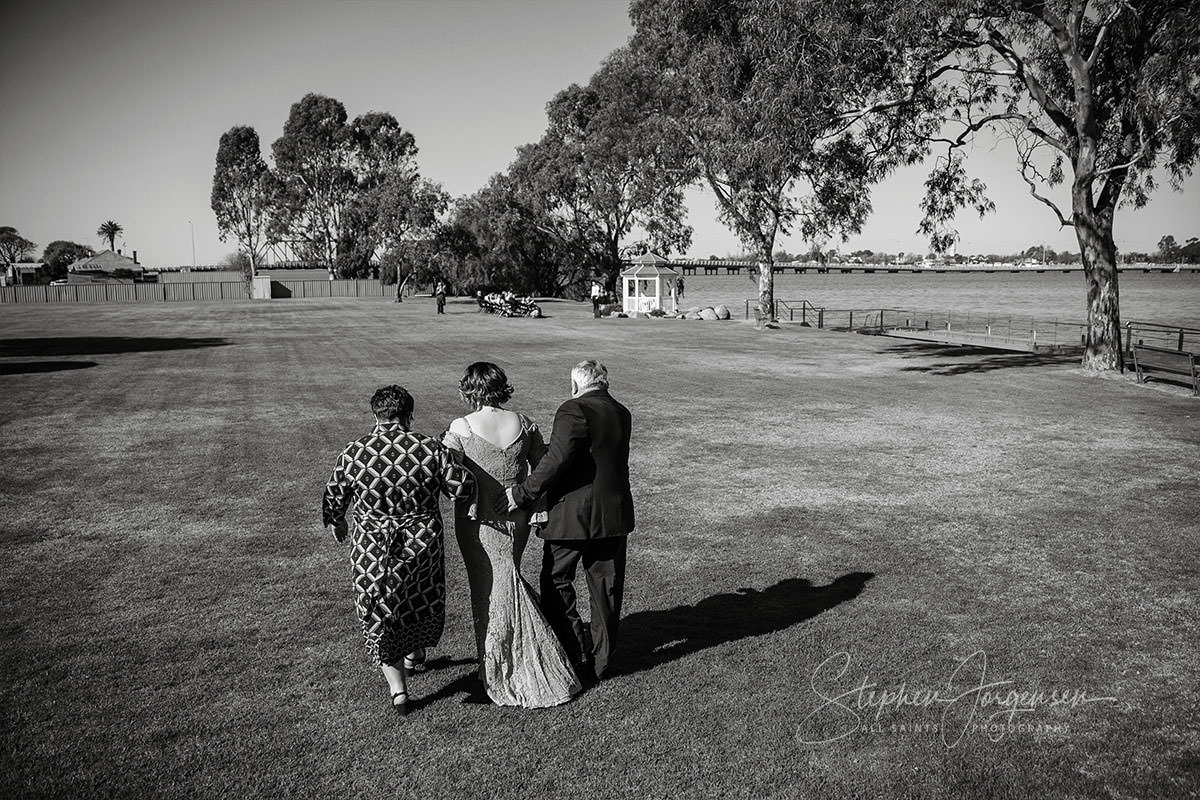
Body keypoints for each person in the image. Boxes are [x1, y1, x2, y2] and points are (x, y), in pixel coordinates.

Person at [323, 385, 474, 716]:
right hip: (422, 542)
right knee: (418, 597)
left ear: (375, 415)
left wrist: (337, 522)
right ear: (409, 415)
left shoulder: (354, 452)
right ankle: (414, 653)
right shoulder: (429, 448)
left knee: (380, 610)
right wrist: (459, 459)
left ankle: (398, 690)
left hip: (371, 547)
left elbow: (334, 497)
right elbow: (462, 489)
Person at [443, 363, 581, 707]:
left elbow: (447, 471)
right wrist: (531, 501)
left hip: (478, 522)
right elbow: (544, 465)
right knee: (506, 581)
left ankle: (511, 668)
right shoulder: (523, 422)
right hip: (515, 516)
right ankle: (495, 663)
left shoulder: (461, 426)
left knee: (491, 590)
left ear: (469, 390)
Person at [498, 360, 634, 683]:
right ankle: (603, 662)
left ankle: (576, 651)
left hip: (572, 515)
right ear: (604, 383)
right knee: (606, 590)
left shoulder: (572, 410)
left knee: (555, 581)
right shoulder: (622, 412)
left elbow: (556, 461)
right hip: (613, 515)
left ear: (576, 385)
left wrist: (521, 494)